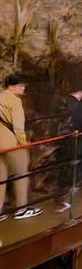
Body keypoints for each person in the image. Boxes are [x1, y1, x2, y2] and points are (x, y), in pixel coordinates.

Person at [0, 76, 42, 221]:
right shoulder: (15, 101)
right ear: (12, 86)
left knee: (1, 178)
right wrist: (24, 143)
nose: (23, 88)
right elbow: (18, 127)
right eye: (21, 85)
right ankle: (21, 209)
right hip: (12, 144)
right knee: (21, 175)